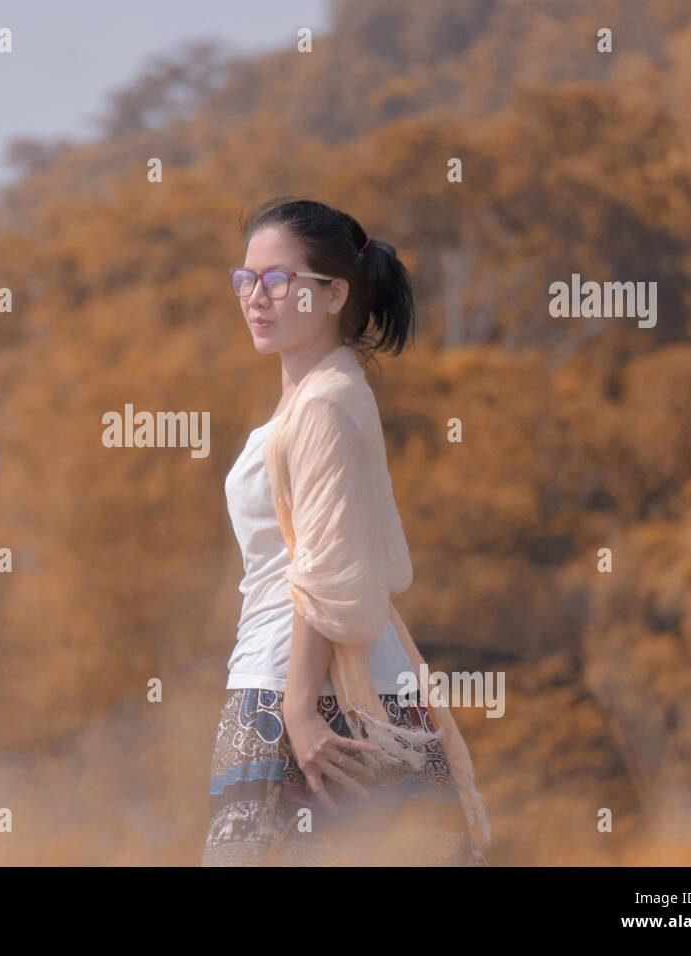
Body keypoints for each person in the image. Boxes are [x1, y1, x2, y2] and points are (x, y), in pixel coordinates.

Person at [200, 197, 489, 866]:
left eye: (278, 280)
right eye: (245, 280)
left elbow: (325, 568)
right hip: (329, 683)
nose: (256, 298)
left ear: (334, 294)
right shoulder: (315, 397)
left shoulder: (326, 403)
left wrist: (300, 712)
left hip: (298, 691)